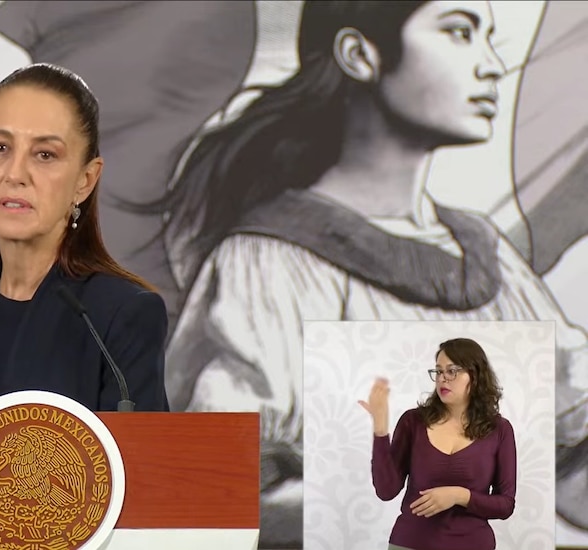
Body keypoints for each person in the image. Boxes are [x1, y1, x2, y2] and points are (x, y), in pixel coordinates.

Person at [133, 0, 588, 540]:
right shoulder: (269, 264)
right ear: (359, 54)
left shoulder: (489, 256)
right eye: (460, 32)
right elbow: (196, 493)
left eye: (491, 37)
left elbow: (567, 454)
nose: (491, 65)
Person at [0, 63, 170, 413]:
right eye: (1, 148)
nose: (15, 174)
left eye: (45, 154)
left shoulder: (121, 314)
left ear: (85, 180)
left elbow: (139, 464)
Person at [360, 338, 516, 550]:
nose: (443, 379)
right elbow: (386, 490)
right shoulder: (413, 422)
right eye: (438, 371)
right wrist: (380, 429)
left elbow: (505, 505)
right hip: (410, 543)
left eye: (452, 371)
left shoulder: (500, 430)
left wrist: (459, 496)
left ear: (476, 376)